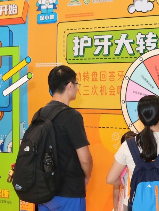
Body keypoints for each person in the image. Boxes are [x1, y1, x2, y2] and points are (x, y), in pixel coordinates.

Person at [107, 95, 159, 211]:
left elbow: (110, 179)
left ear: (139, 117)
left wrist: (128, 181)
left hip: (135, 205)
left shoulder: (128, 145)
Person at [37, 65, 92, 211]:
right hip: (69, 191)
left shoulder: (40, 114)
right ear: (69, 86)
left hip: (44, 190)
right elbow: (85, 158)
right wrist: (87, 176)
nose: (77, 88)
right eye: (76, 84)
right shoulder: (72, 116)